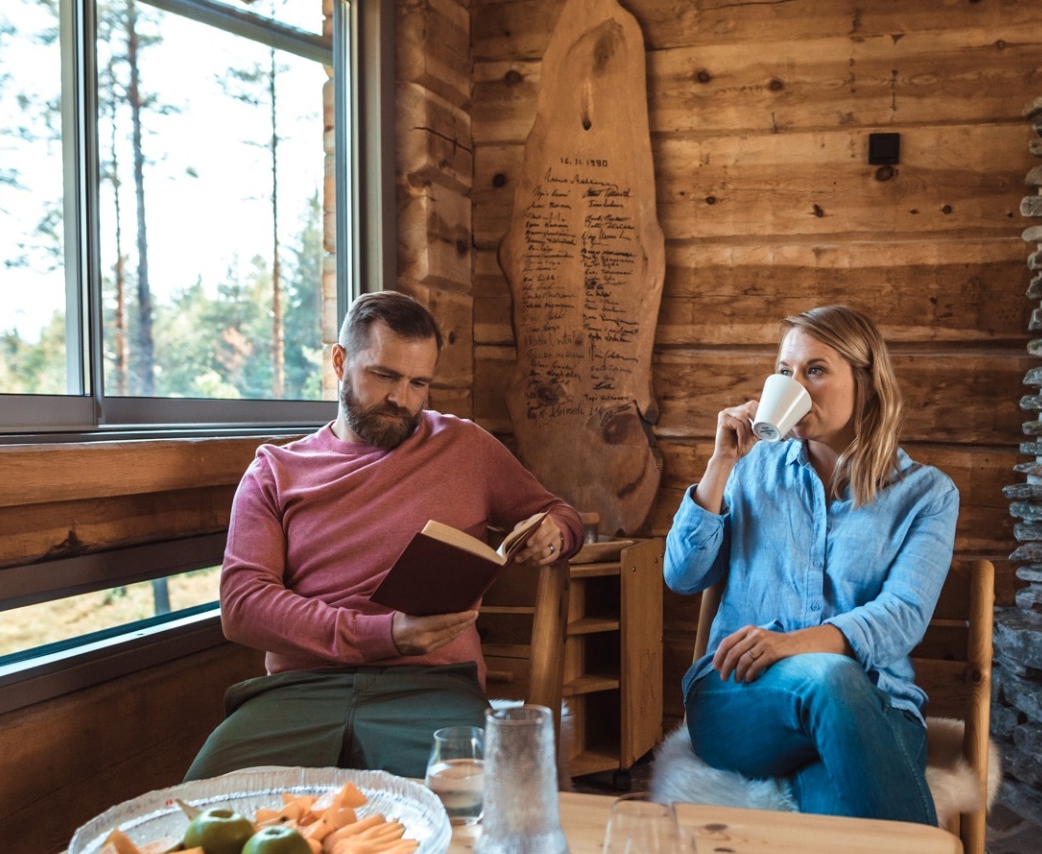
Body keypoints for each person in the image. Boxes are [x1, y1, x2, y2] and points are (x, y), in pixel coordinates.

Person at [185, 290, 584, 781]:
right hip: (300, 691)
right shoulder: (275, 471)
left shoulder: (464, 447)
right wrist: (383, 635)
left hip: (433, 688)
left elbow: (557, 511)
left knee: (494, 811)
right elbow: (243, 606)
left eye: (420, 383)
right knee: (202, 813)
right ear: (339, 361)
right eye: (384, 376)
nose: (402, 399)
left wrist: (556, 532)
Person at [663, 305, 959, 825]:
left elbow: (902, 615)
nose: (794, 384)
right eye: (784, 371)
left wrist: (792, 645)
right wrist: (720, 465)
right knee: (831, 680)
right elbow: (682, 575)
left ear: (865, 383)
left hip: (873, 707)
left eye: (815, 370)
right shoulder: (750, 470)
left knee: (837, 817)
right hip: (740, 698)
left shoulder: (926, 495)